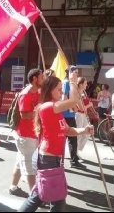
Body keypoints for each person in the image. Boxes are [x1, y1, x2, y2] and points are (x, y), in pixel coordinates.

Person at [18, 73, 94, 212]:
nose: (61, 92)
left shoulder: (55, 109)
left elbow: (68, 130)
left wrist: (84, 130)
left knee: (40, 196)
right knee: (55, 199)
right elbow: (74, 101)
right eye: (59, 89)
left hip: (53, 159)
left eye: (61, 89)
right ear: (50, 89)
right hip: (48, 159)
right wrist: (72, 82)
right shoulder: (48, 106)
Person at [9, 68, 43, 197]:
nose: (43, 79)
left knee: (20, 160)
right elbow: (24, 115)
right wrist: (39, 111)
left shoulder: (38, 92)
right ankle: (35, 196)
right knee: (29, 166)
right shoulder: (26, 94)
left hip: (31, 134)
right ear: (35, 79)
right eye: (41, 77)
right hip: (25, 135)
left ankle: (13, 186)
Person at [62, 65, 86, 169]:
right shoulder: (66, 83)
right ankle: (61, 162)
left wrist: (79, 107)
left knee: (73, 139)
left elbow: (76, 99)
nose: (77, 74)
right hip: (65, 115)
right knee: (64, 139)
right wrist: (74, 107)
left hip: (70, 115)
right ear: (70, 73)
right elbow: (65, 98)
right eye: (75, 72)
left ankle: (74, 160)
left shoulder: (73, 84)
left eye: (77, 72)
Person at [75, 77, 94, 157]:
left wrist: (89, 107)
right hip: (79, 114)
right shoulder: (76, 92)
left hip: (85, 115)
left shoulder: (85, 93)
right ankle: (75, 152)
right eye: (85, 83)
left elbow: (90, 104)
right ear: (81, 84)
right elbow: (80, 107)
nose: (87, 85)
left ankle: (78, 148)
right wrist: (87, 106)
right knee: (79, 133)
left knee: (88, 132)